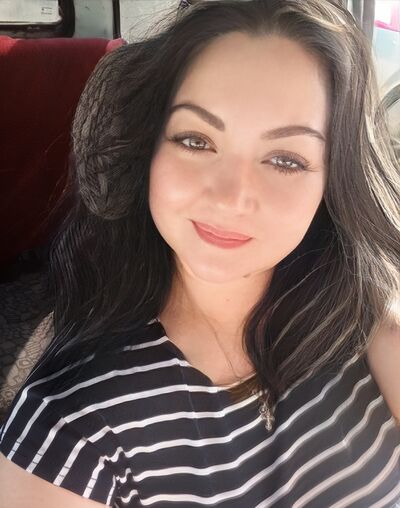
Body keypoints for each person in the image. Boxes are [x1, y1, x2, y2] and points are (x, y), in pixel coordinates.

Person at [1, 0, 399, 506]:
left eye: (285, 159)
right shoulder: (66, 430)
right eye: (195, 140)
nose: (230, 197)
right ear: (147, 148)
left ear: (334, 181)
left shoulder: (361, 312)